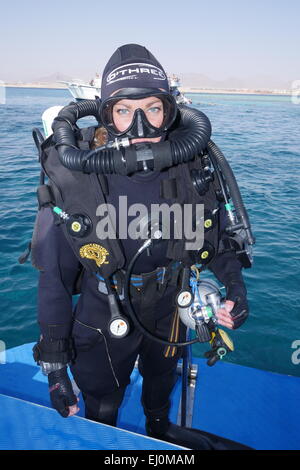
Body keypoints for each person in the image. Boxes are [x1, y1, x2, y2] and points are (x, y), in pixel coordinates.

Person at [31, 44, 251, 450]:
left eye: (152, 109)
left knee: (161, 377)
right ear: (106, 115)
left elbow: (215, 240)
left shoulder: (189, 168)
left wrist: (235, 289)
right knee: (101, 399)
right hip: (104, 308)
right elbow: (54, 281)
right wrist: (55, 367)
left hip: (169, 302)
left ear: (170, 112)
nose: (139, 125)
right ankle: (104, 439)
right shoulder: (78, 182)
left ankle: (157, 426)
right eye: (123, 110)